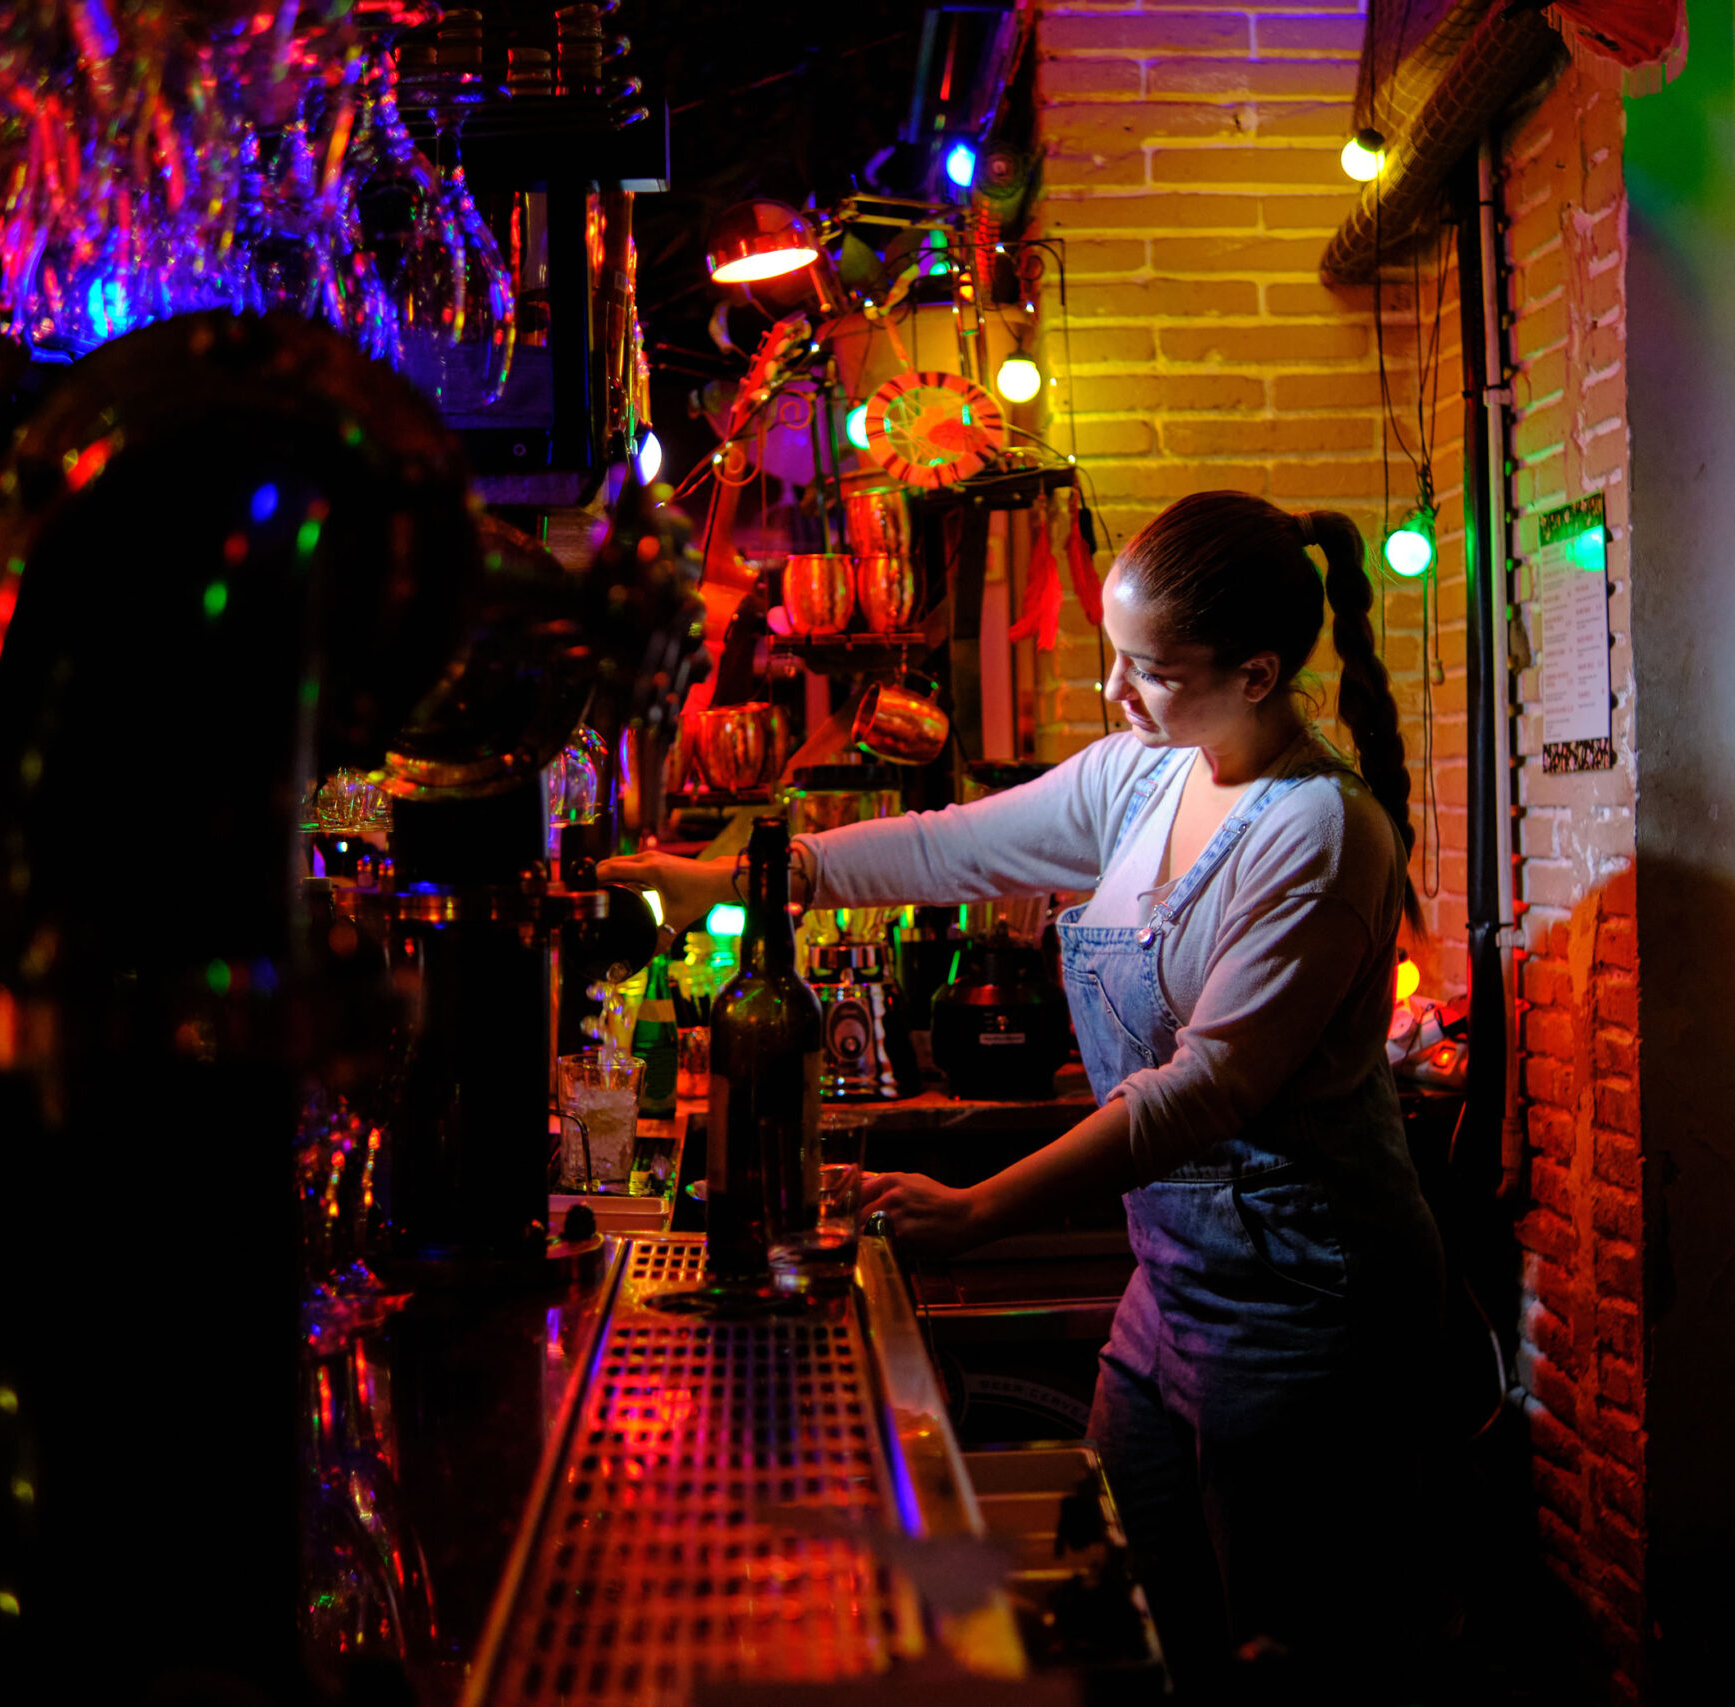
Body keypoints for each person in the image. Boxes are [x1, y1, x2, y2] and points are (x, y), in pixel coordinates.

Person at [601, 491, 1445, 1694]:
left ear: (1257, 674)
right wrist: (734, 878)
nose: (1114, 691)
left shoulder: (1316, 835)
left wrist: (982, 1207)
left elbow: (1202, 1092)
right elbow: (945, 846)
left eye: (1149, 670)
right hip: (1171, 1291)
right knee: (1133, 1615)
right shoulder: (1143, 776)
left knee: (1286, 1657)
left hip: (1306, 1307)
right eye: (1115, 656)